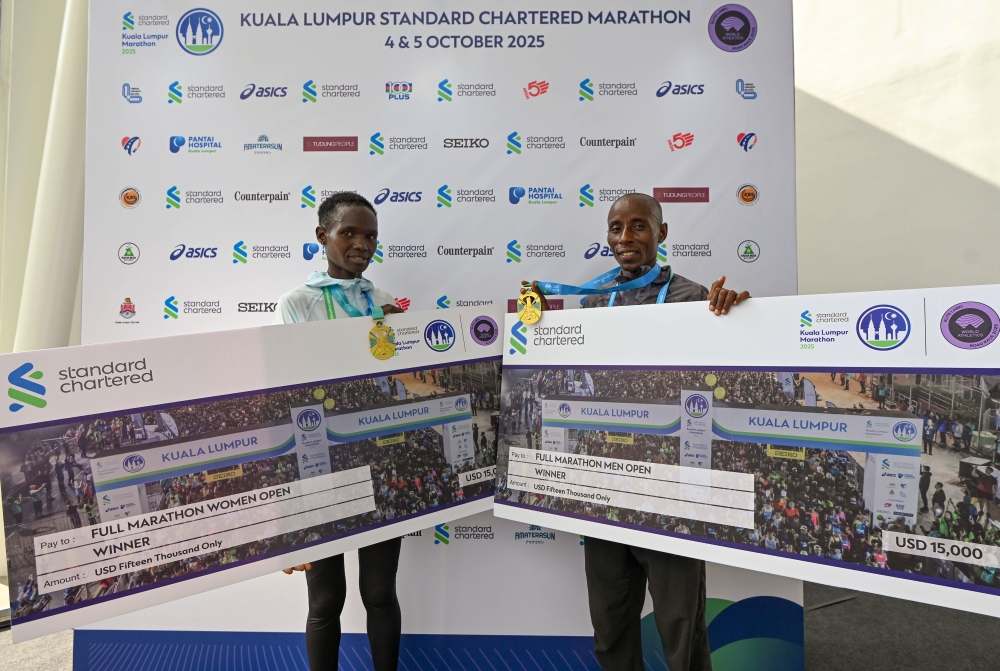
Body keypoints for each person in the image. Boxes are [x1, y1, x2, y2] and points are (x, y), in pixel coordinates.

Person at [522, 193, 748, 671]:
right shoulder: (593, 303)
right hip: (605, 488)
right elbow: (569, 379)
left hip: (670, 494)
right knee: (610, 631)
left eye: (639, 226)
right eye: (616, 228)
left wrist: (734, 314)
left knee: (681, 634)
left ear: (661, 234)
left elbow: (731, 374)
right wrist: (540, 325)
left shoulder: (694, 299)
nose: (626, 239)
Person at [275, 192, 405, 671]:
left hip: (381, 463)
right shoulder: (297, 304)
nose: (360, 244)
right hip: (322, 468)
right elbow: (294, 392)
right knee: (325, 600)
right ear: (321, 236)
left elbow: (399, 390)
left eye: (369, 235)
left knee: (379, 593)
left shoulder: (386, 304)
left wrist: (404, 349)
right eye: (348, 232)